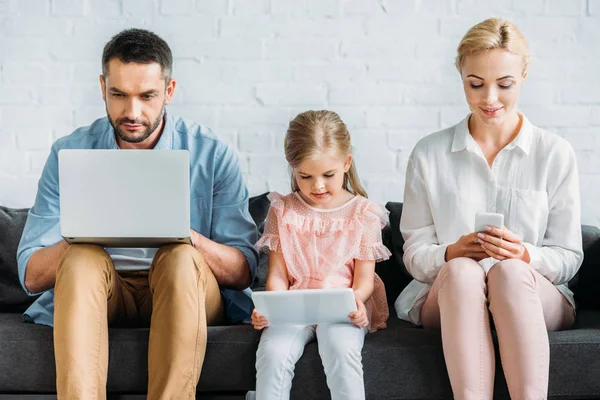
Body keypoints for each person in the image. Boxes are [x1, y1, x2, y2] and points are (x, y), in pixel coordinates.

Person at [16, 28, 258, 400]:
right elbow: (32, 276)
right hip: (103, 291)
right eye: (118, 95)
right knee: (81, 257)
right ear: (102, 87)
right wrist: (84, 231)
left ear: (170, 90)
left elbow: (242, 271)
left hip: (184, 289)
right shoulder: (69, 153)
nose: (132, 112)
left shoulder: (212, 153)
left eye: (147, 96)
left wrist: (184, 234)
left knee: (179, 257)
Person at [395, 18, 583, 400]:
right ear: (461, 75)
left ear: (524, 75)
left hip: (532, 292)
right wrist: (451, 252)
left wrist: (525, 254)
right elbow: (413, 255)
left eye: (505, 84)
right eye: (475, 84)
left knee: (510, 273)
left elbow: (569, 256)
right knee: (463, 272)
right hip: (448, 293)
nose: (490, 99)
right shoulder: (429, 153)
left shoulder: (554, 154)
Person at [250, 110, 391, 400]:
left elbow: (364, 280)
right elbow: (277, 274)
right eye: (306, 176)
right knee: (273, 353)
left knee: (340, 347)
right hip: (293, 307)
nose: (318, 186)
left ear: (346, 163)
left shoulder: (363, 213)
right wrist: (270, 309)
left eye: (328, 175)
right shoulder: (282, 210)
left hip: (342, 309)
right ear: (293, 169)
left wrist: (357, 301)